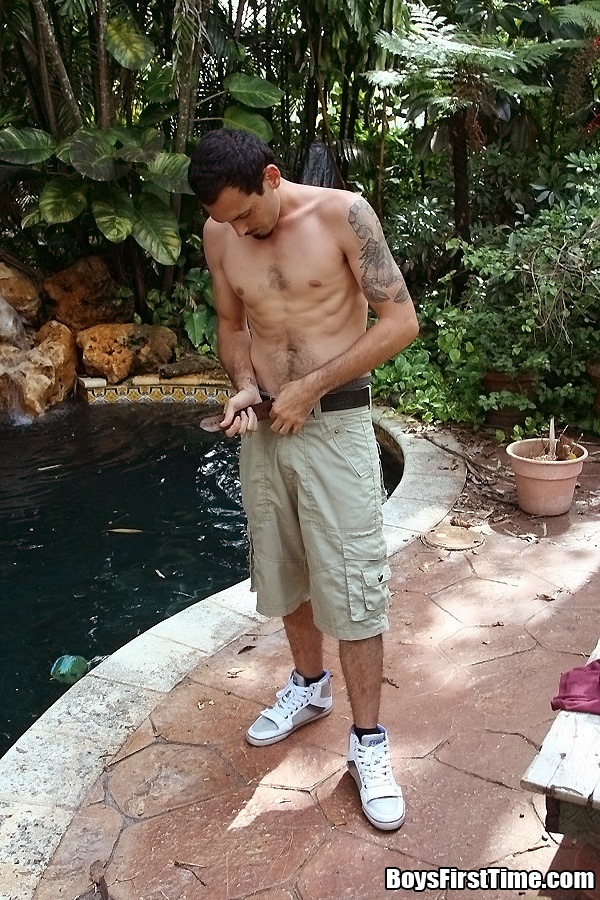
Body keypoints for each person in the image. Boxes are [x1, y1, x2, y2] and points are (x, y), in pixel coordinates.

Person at [188, 128, 419, 831]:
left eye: (244, 214)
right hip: (264, 429)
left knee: (353, 586)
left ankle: (368, 741)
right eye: (223, 220)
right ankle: (310, 687)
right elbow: (232, 326)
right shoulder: (221, 232)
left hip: (336, 426)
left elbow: (401, 322)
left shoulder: (344, 215)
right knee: (285, 572)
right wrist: (243, 384)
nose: (237, 230)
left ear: (271, 176)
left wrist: (309, 387)